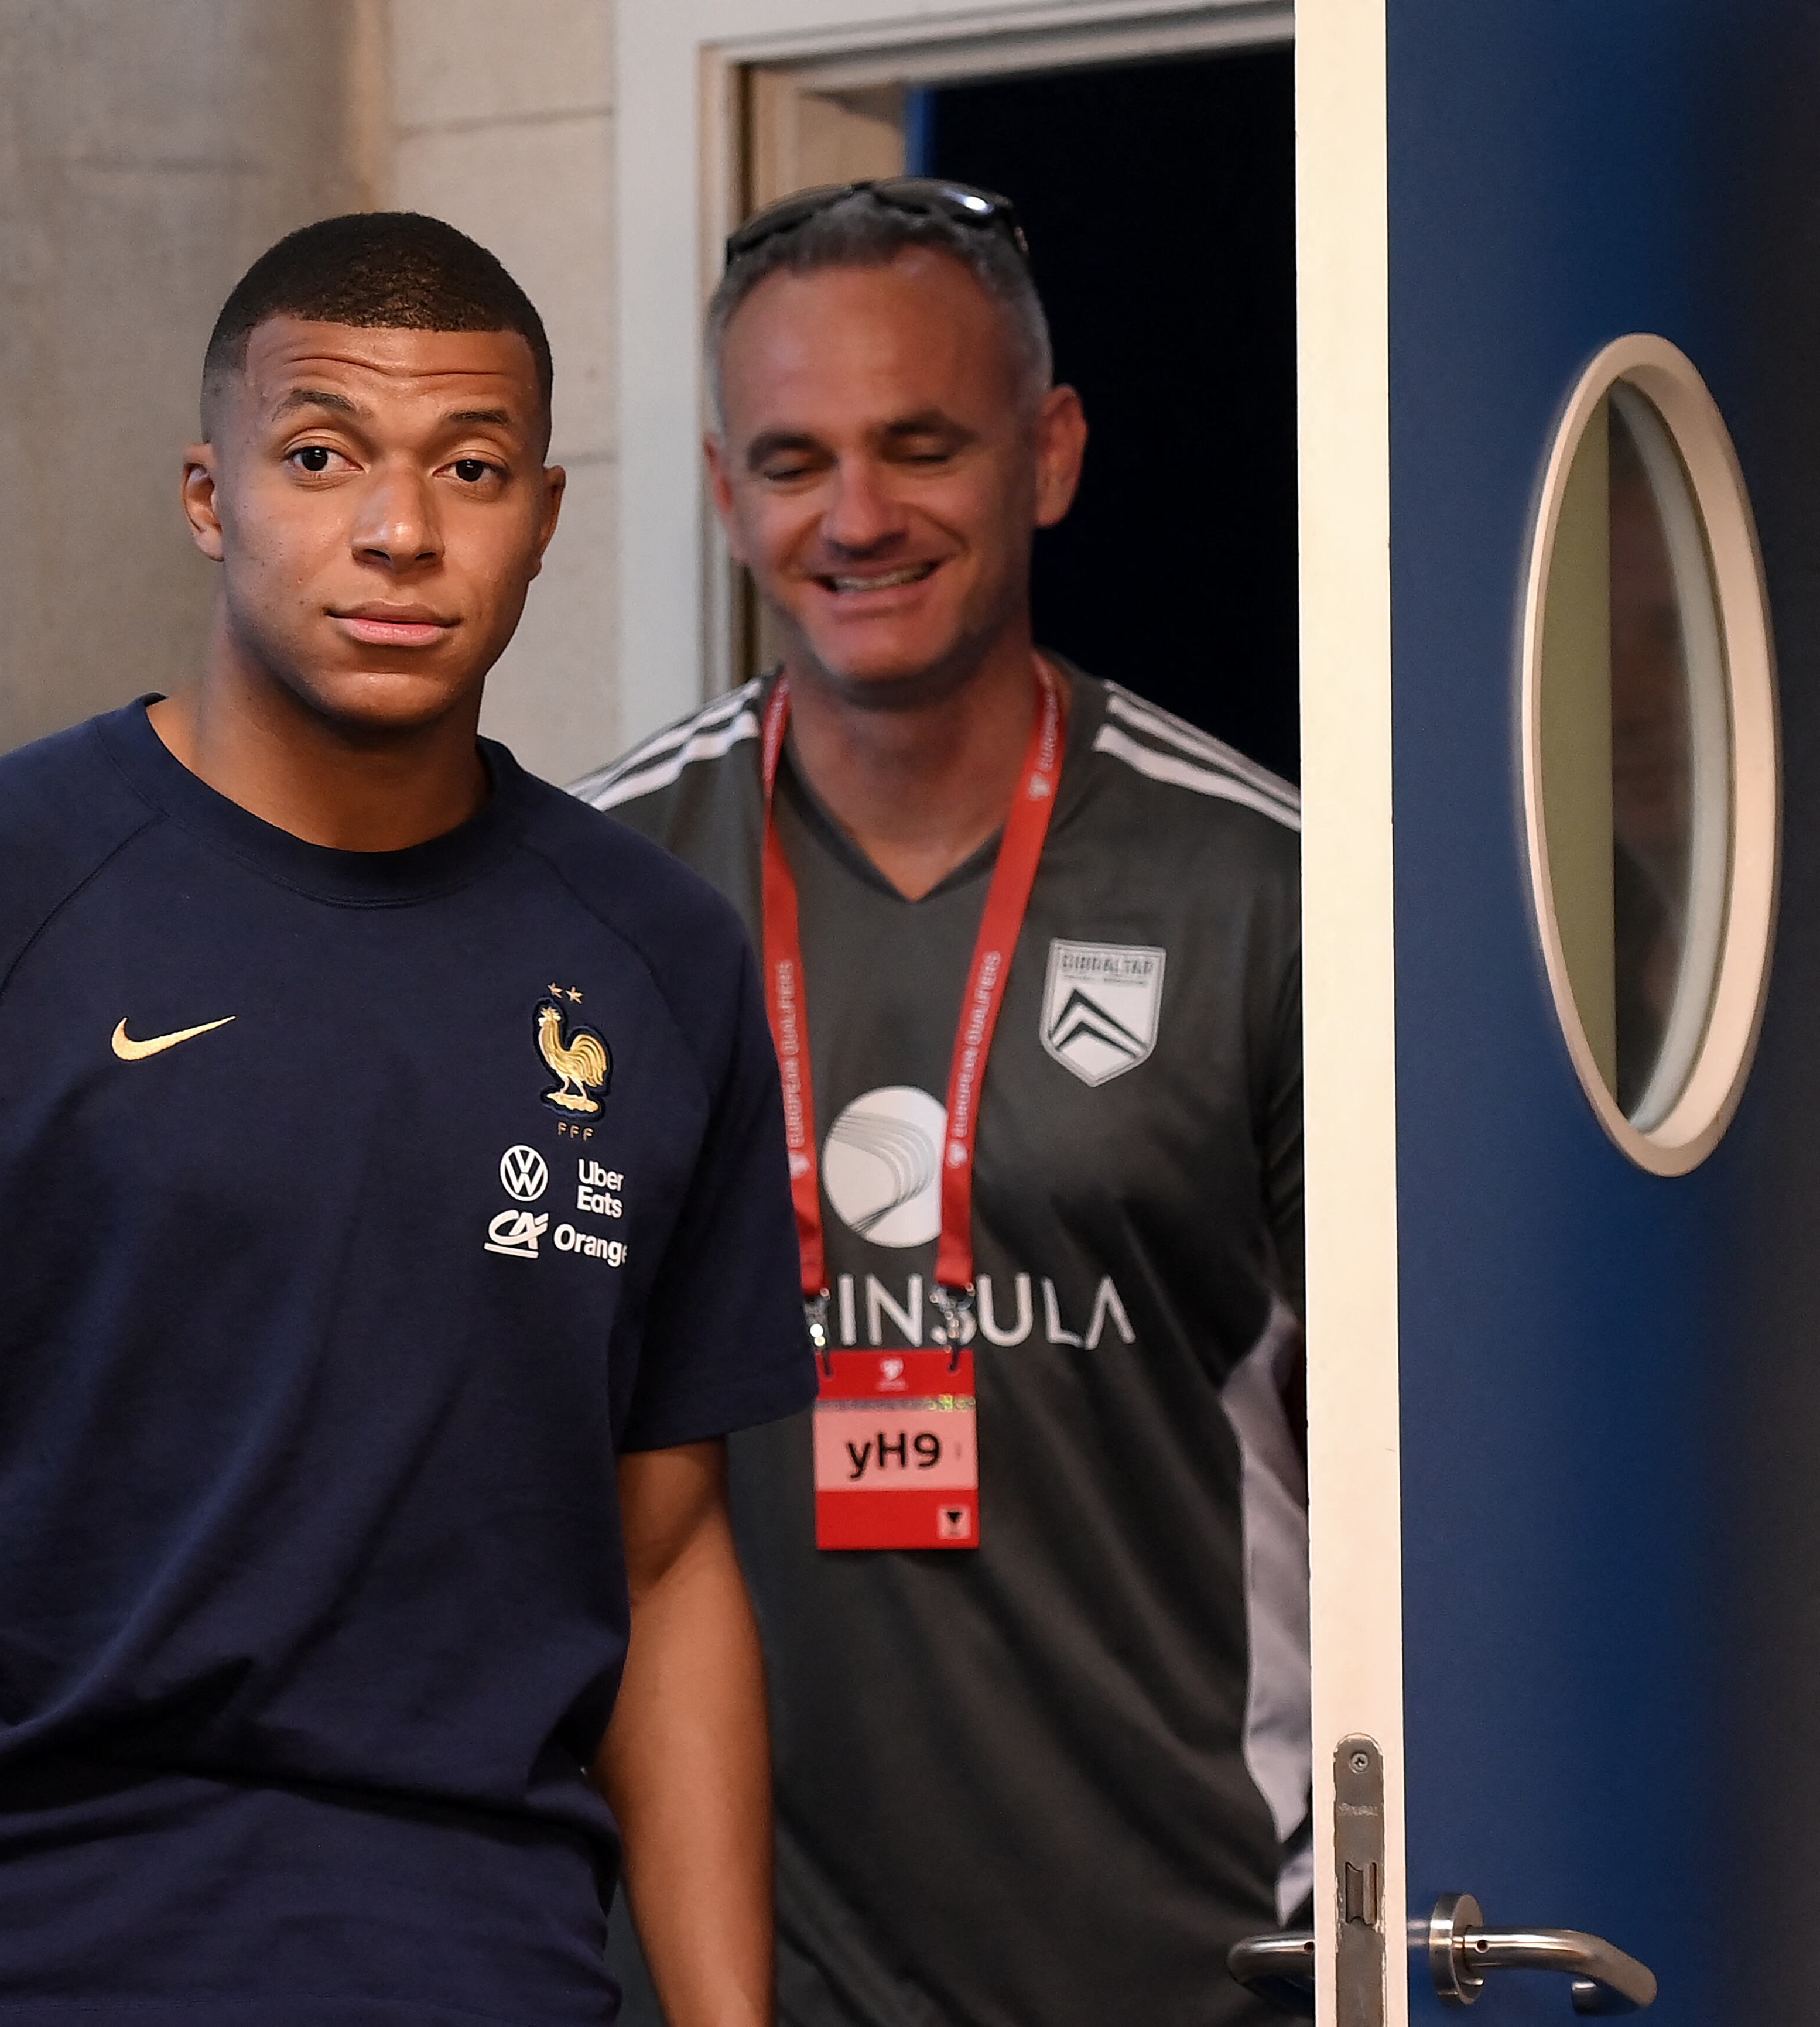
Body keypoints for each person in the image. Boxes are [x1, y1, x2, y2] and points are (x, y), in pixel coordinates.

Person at [0, 211, 810, 2027]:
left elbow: (668, 1561)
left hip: (480, 1971)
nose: (399, 532)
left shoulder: (657, 963)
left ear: (546, 519)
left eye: (473, 468)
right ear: (210, 496)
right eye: (318, 457)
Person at [576, 180, 1305, 2026]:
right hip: (710, 1979)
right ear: (730, 497)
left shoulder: (1271, 894)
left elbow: (1431, 1504)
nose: (860, 517)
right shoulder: (587, 902)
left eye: (923, 447)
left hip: (1182, 1964)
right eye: (795, 459)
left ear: (1048, 455)